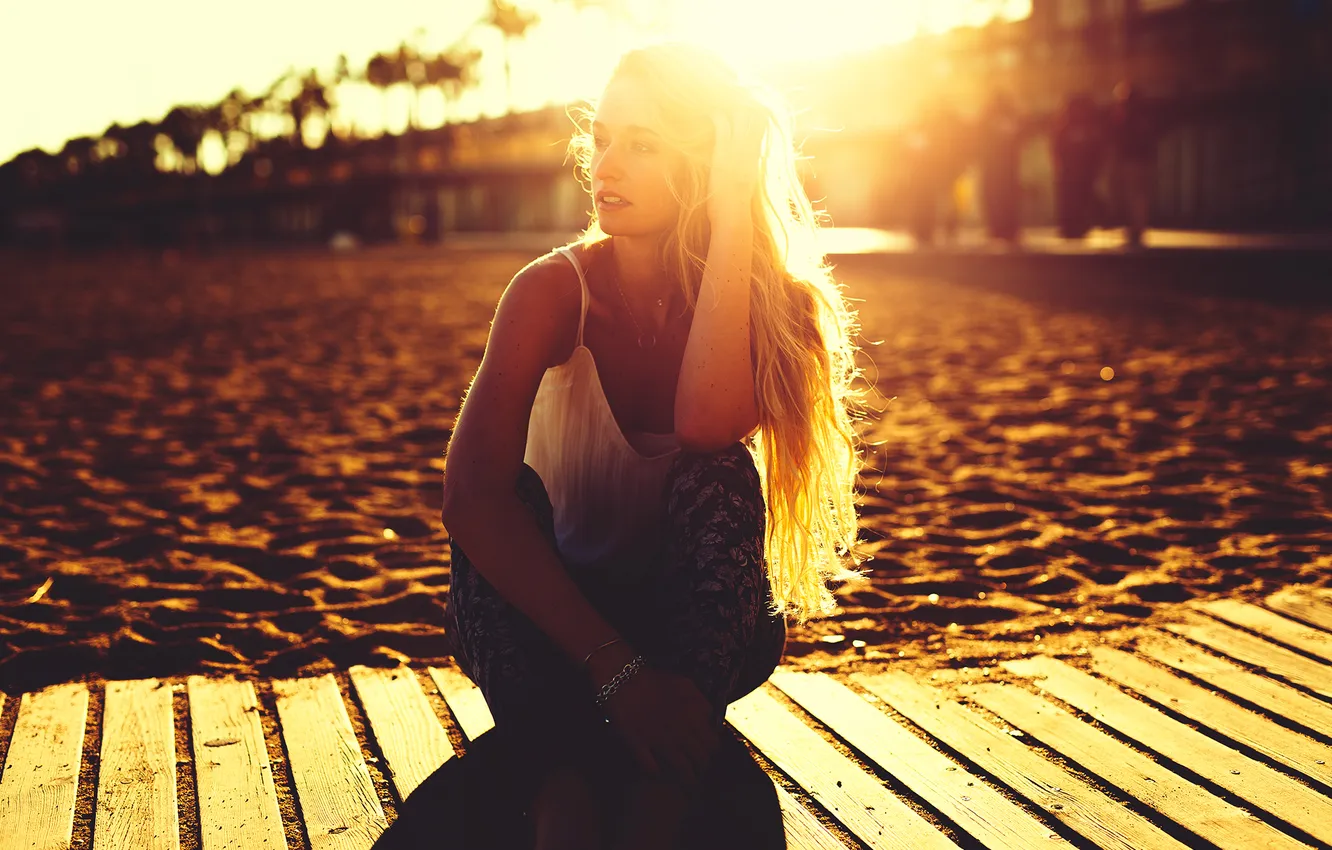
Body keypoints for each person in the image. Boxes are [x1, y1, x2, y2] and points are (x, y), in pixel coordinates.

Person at [384, 42, 866, 850]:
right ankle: (563, 787)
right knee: (508, 501)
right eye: (603, 138)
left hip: (684, 631)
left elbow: (708, 430)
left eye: (643, 143)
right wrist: (617, 674)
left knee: (722, 476)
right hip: (548, 620)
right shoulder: (549, 292)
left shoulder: (769, 305)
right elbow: (467, 500)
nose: (606, 163)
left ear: (706, 159)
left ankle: (655, 792)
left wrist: (735, 207)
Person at [1108, 81, 1158, 249]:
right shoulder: (1146, 115)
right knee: (1140, 196)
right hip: (1144, 160)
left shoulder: (1126, 115)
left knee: (1133, 195)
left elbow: (1119, 138)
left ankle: (1135, 229)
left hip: (1131, 161)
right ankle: (1138, 228)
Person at [976, 90, 1025, 245]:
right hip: (1003, 167)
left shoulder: (989, 117)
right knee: (1002, 197)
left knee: (998, 197)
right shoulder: (1010, 118)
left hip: (999, 167)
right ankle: (1003, 229)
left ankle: (1001, 229)